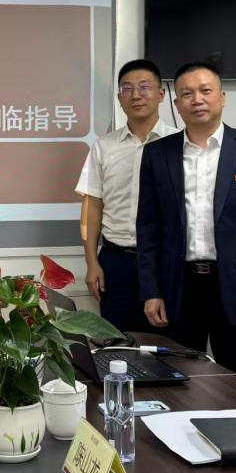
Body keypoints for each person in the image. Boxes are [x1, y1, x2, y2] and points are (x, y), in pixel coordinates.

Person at [136, 61, 236, 382]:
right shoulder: (157, 153)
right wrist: (151, 291)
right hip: (177, 287)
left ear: (222, 97)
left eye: (205, 91)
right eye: (187, 94)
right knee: (178, 382)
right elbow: (148, 229)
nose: (197, 100)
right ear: (177, 103)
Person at [75, 59, 178, 332]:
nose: (136, 95)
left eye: (144, 87)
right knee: (117, 343)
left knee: (166, 345)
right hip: (116, 263)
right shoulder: (104, 147)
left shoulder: (179, 144)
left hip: (164, 262)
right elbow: (92, 207)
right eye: (127, 88)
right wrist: (91, 262)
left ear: (161, 94)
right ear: (119, 97)